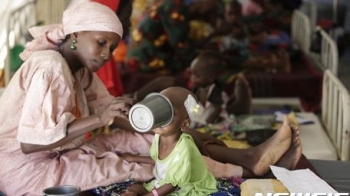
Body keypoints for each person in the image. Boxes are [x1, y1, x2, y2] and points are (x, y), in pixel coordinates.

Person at [0, 2, 301, 195]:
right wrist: (100, 119)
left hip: (61, 151)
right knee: (145, 167)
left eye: (112, 48)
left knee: (162, 143)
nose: (106, 55)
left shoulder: (79, 72)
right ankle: (248, 168)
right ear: (76, 34)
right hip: (27, 169)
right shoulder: (49, 67)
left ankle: (251, 157)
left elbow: (110, 111)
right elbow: (31, 143)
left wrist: (156, 126)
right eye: (101, 43)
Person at [121, 87, 218, 196]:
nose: (160, 117)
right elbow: (160, 162)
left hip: (184, 187)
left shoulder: (184, 148)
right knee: (134, 188)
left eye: (169, 114)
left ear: (184, 124)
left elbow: (173, 185)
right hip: (164, 182)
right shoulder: (158, 137)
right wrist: (134, 158)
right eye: (158, 109)